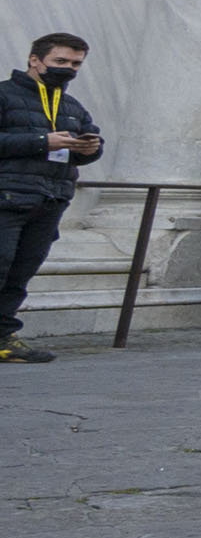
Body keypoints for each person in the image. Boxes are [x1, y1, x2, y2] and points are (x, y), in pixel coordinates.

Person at [0, 33, 100, 360]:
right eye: (61, 61)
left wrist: (89, 149)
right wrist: (43, 141)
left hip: (51, 199)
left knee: (20, 272)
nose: (68, 69)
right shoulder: (5, 94)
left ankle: (3, 337)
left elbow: (88, 143)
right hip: (8, 198)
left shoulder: (72, 106)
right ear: (34, 60)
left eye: (75, 64)